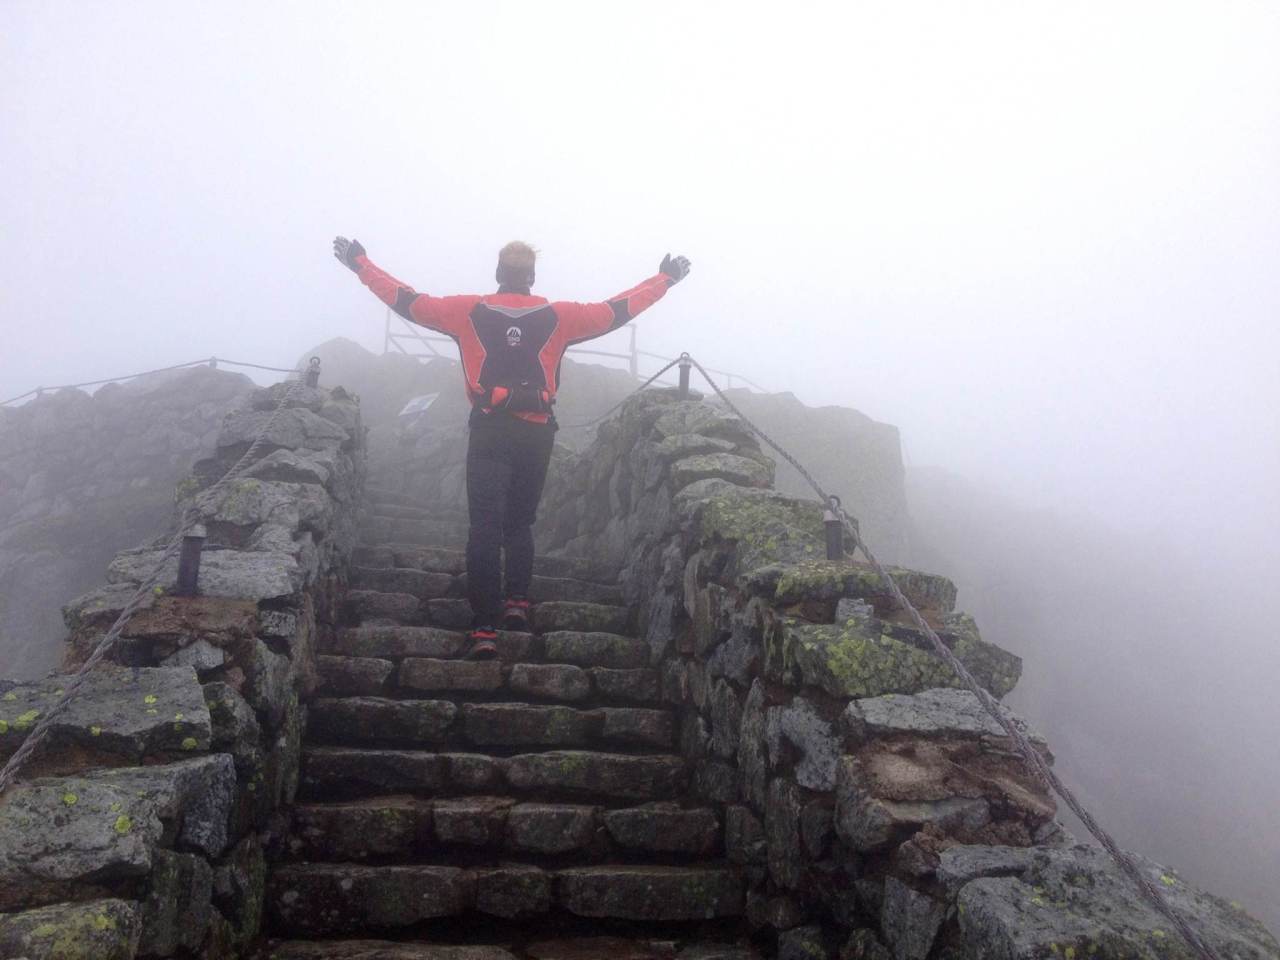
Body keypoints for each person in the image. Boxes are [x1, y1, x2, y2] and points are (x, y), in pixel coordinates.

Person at [333, 236, 691, 658]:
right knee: (519, 524)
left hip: (489, 427)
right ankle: (517, 604)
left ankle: (484, 629)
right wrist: (665, 279)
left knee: (485, 528)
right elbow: (617, 310)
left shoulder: (467, 310)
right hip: (537, 433)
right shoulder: (560, 316)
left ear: (499, 276)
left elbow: (405, 300)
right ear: (532, 278)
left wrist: (360, 264)